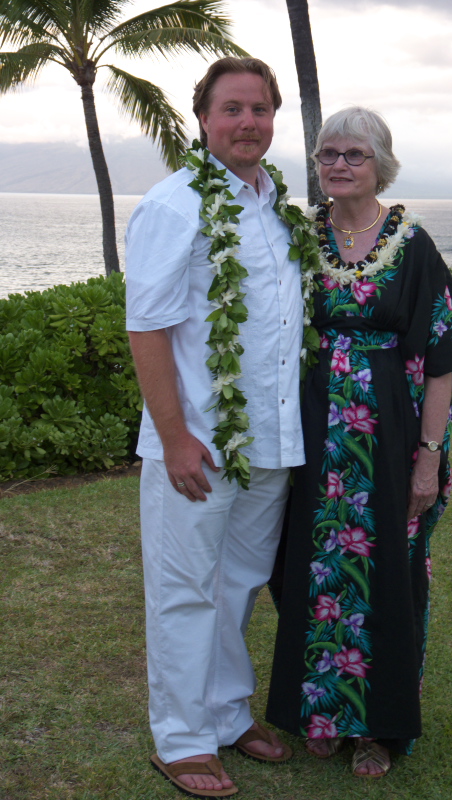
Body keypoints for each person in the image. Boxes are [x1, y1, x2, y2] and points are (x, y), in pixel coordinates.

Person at [266, 107, 452, 778]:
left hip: (389, 438)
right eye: (328, 153)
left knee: (386, 573)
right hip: (310, 437)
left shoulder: (412, 244)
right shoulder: (300, 239)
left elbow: (442, 358)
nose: (339, 165)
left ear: (379, 164)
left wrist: (428, 459)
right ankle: (321, 714)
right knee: (309, 567)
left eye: (354, 154)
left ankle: (376, 729)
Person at [126, 57, 304, 798]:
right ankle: (182, 740)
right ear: (203, 119)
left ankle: (228, 714)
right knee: (185, 589)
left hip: (271, 440)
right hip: (198, 442)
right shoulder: (175, 206)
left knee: (239, 584)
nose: (247, 122)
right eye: (232, 109)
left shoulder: (279, 207)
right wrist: (174, 438)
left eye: (260, 109)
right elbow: (147, 327)